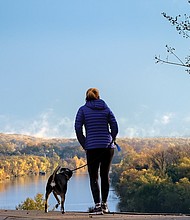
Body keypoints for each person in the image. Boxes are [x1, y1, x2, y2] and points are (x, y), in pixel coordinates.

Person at [74, 88, 118, 214]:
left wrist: (84, 143)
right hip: (107, 147)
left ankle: (98, 206)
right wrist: (112, 138)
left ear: (86, 97)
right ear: (98, 97)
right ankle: (105, 205)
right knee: (105, 175)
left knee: (93, 176)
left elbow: (77, 128)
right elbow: (115, 125)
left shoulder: (82, 110)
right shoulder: (106, 109)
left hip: (92, 147)